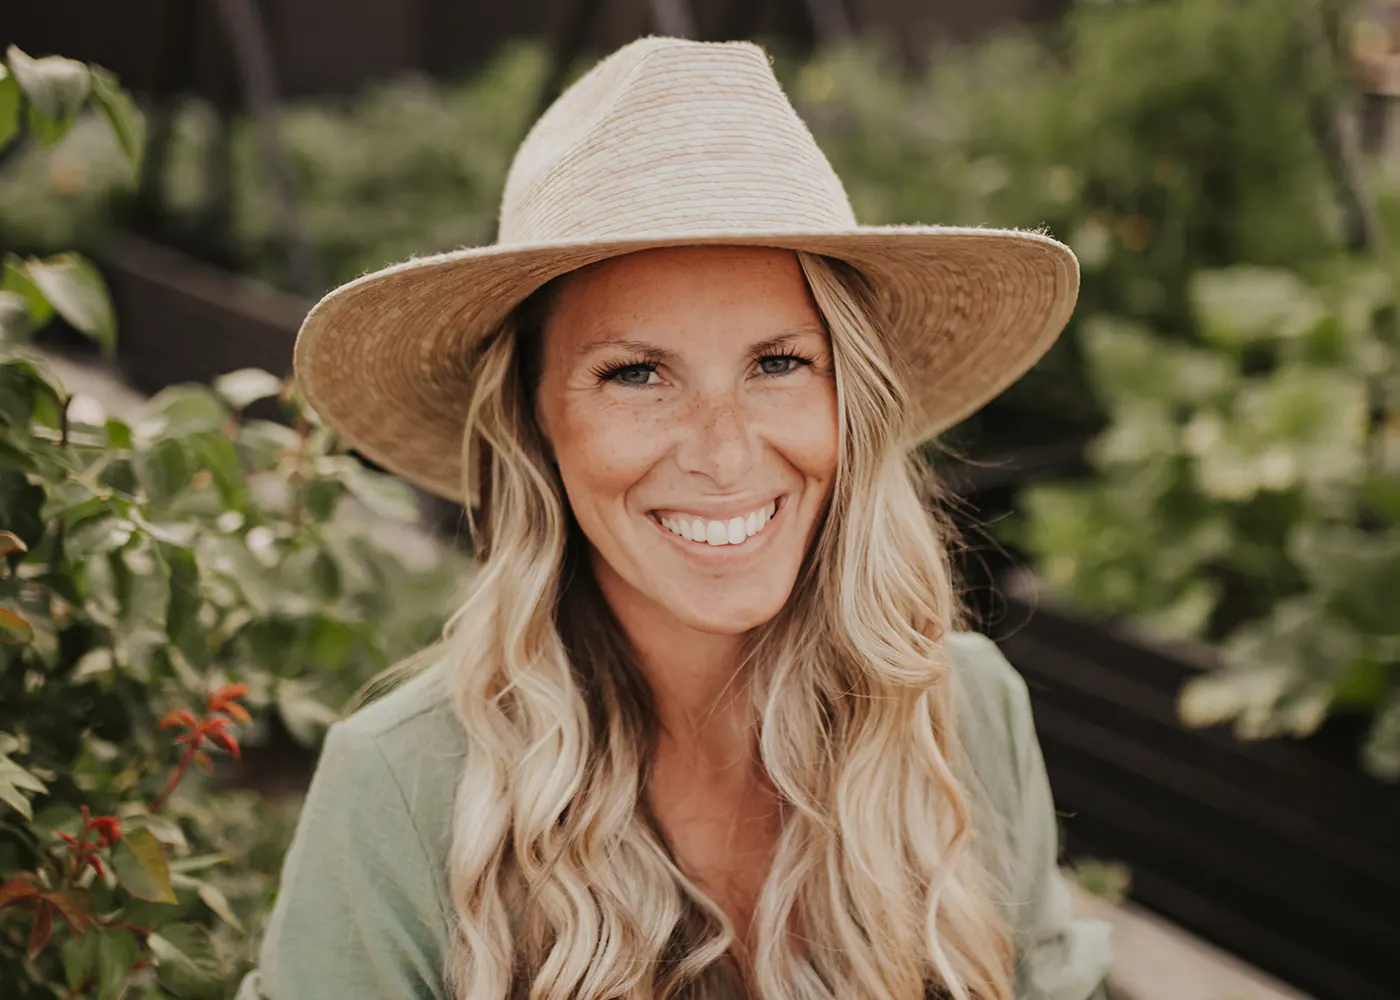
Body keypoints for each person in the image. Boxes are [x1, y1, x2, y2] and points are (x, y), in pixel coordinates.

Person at [234, 35, 1113, 1000]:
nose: (723, 454)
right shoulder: (404, 788)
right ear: (534, 418)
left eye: (778, 363)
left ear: (849, 402)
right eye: (637, 374)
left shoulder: (962, 712)